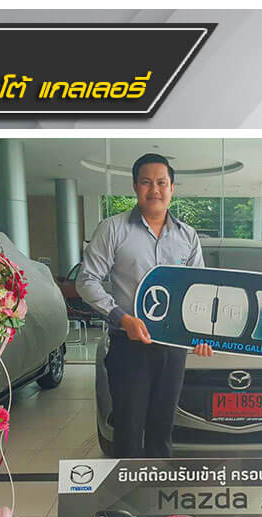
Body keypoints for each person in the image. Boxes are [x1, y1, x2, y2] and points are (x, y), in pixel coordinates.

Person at [77, 153, 212, 458]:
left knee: (162, 429)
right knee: (128, 429)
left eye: (162, 183)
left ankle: (157, 486)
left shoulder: (188, 236)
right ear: (135, 186)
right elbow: (86, 281)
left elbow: (199, 291)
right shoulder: (113, 229)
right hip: (129, 346)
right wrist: (121, 318)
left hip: (173, 348)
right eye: (146, 182)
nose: (155, 190)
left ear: (172, 188)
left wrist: (202, 333)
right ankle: (127, 488)